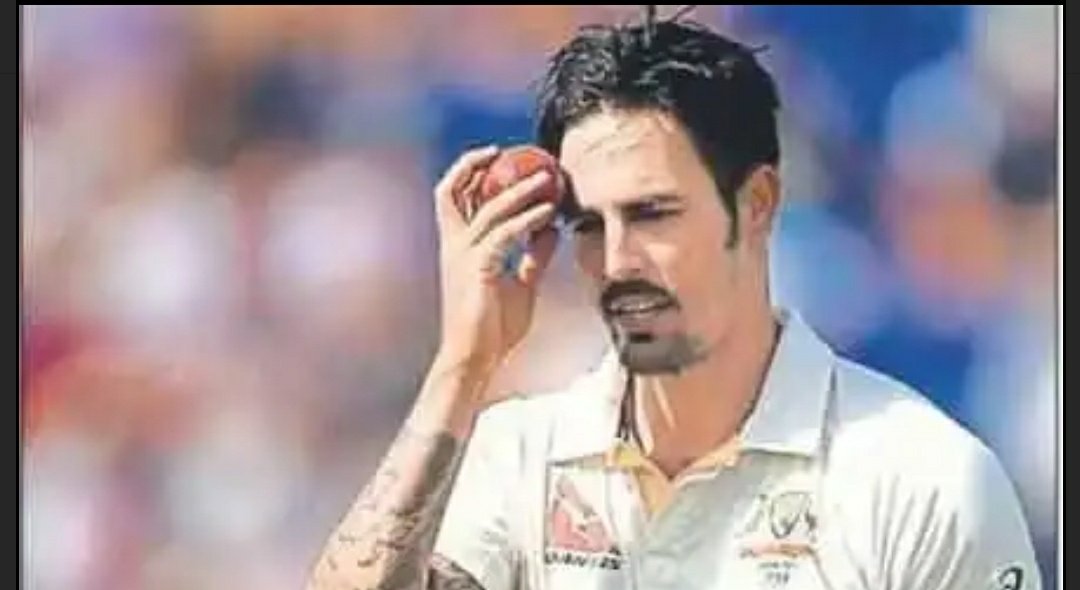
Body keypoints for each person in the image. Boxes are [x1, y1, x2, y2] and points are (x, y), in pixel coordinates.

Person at [306, 16, 1042, 590]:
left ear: (757, 202)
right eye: (589, 225)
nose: (618, 261)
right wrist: (463, 364)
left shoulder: (923, 479)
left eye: (653, 214)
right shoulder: (522, 455)